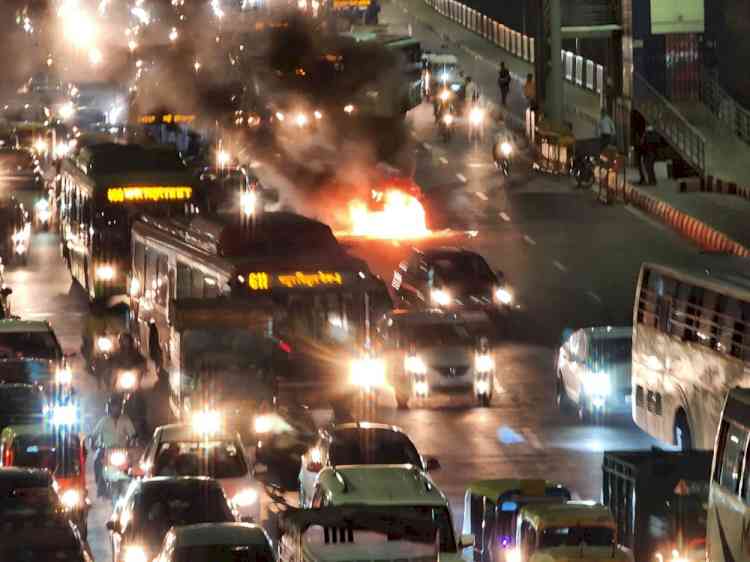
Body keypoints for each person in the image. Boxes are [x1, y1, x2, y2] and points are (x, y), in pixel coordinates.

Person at [89, 394, 137, 497]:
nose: (116, 409)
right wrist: (93, 444)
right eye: (113, 406)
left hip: (122, 450)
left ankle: (133, 487)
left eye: (118, 406)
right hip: (107, 450)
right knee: (97, 460)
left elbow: (133, 434)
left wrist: (132, 443)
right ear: (109, 408)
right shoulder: (103, 421)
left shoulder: (125, 420)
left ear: (121, 408)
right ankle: (100, 487)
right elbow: (94, 435)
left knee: (131, 464)